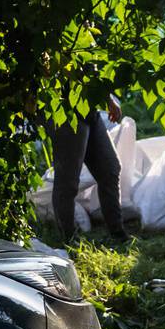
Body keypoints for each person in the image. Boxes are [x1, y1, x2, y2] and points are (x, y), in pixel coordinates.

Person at [49, 88, 128, 241]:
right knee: (68, 183)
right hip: (66, 112)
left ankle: (118, 235)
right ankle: (69, 240)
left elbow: (90, 71)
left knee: (110, 169)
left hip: (89, 110)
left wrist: (107, 99)